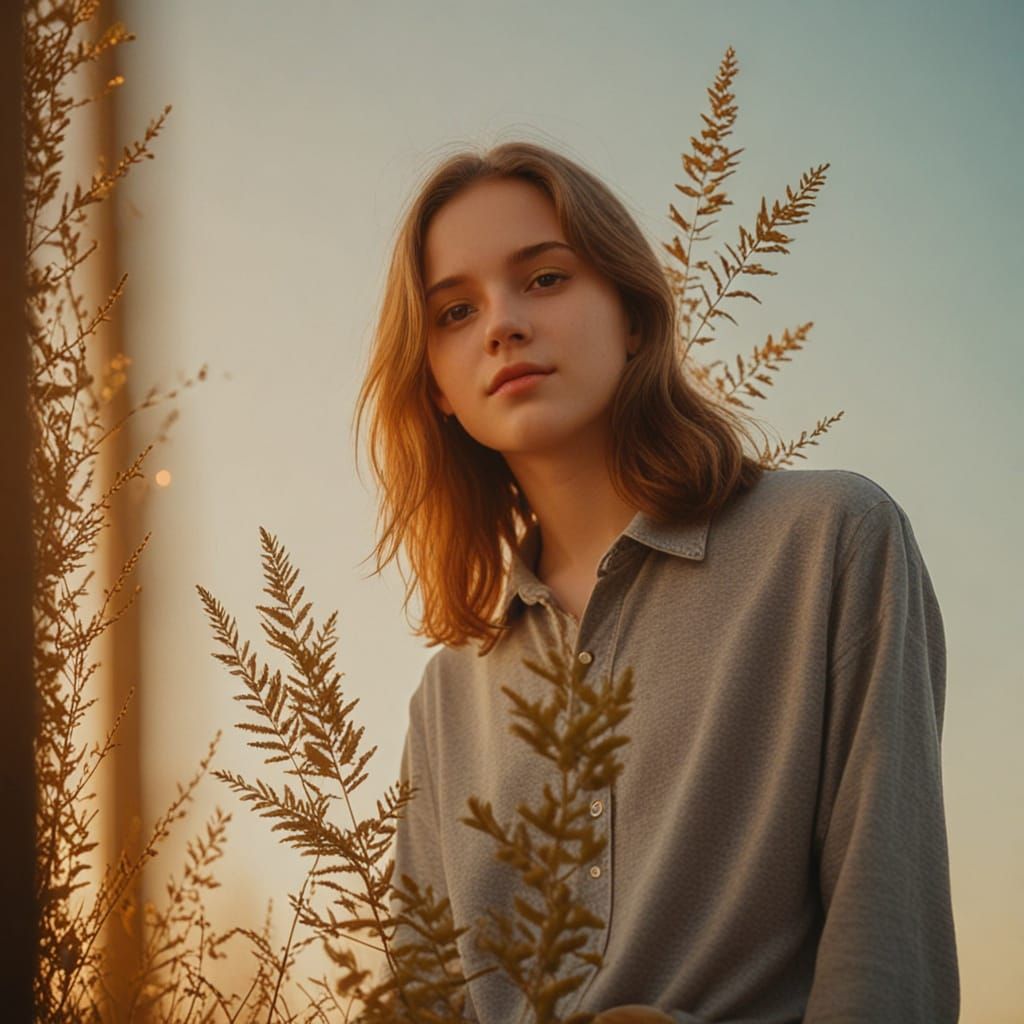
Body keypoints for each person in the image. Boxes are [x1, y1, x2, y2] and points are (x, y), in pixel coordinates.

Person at [352, 140, 959, 1023]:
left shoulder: (831, 541)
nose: (501, 325)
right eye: (453, 311)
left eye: (546, 279)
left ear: (632, 313)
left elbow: (887, 946)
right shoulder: (447, 699)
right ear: (439, 388)